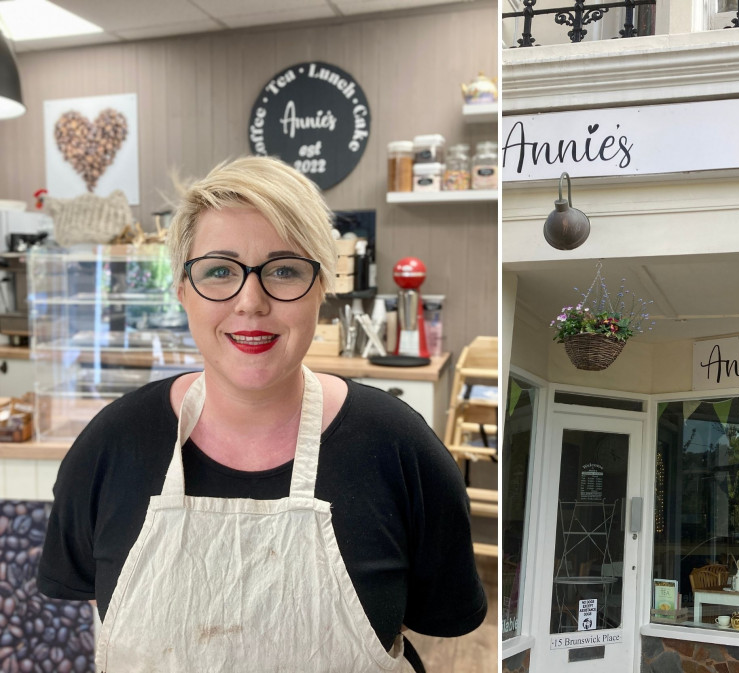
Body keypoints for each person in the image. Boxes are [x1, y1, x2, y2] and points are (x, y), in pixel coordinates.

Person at [38, 156, 487, 672]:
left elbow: (435, 620)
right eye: (220, 270)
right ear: (183, 289)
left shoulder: (400, 450)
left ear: (323, 286)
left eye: (285, 270)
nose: (250, 301)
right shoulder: (111, 447)